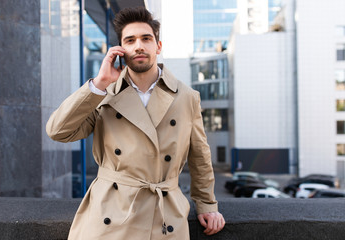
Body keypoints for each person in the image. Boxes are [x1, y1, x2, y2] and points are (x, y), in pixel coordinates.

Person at [46, 7, 225, 240]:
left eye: (146, 39)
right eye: (130, 40)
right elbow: (58, 131)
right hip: (110, 214)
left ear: (158, 46)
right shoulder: (103, 94)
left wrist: (208, 205)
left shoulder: (187, 96)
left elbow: (200, 156)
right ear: (120, 50)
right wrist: (99, 84)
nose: (139, 45)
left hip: (165, 215)